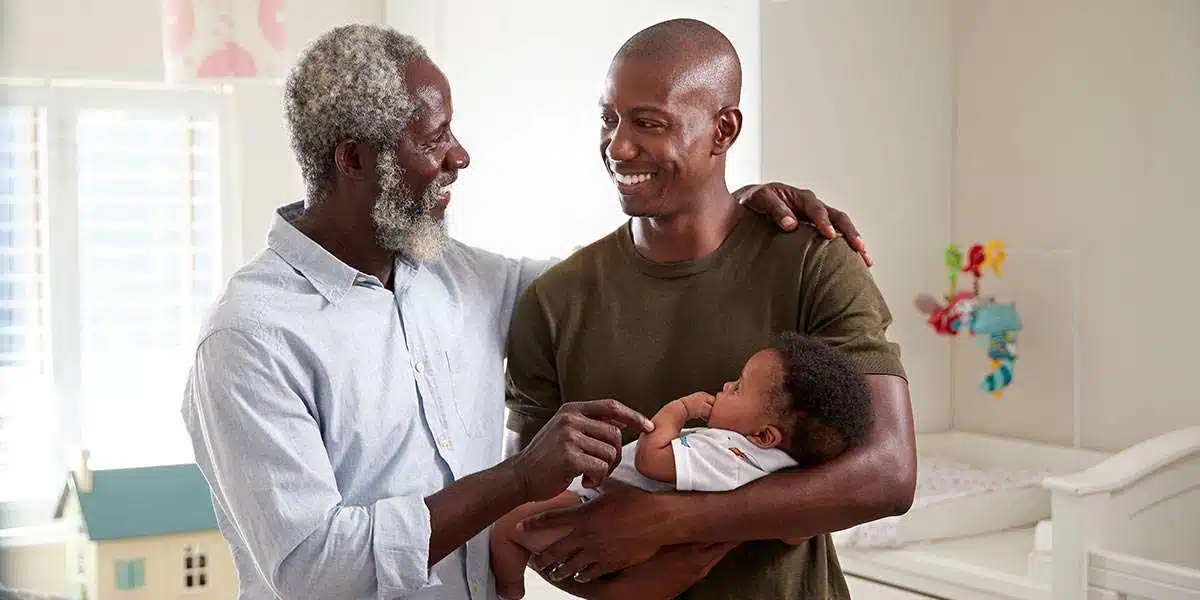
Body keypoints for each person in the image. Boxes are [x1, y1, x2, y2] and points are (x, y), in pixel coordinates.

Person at [179, 23, 873, 600]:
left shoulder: (462, 278)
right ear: (355, 160)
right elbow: (314, 570)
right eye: (434, 138)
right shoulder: (252, 339)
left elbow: (635, 278)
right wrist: (517, 480)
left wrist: (728, 201)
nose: (460, 154)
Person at [504, 18, 916, 600]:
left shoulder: (811, 263)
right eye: (609, 118)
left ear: (723, 130)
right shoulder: (554, 302)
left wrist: (667, 521)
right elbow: (526, 511)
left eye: (649, 123)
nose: (618, 146)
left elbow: (889, 475)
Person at [490, 331, 873, 600]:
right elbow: (794, 531)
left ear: (764, 436)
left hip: (596, 505)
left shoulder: (727, 449)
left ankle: (510, 589)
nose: (725, 386)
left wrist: (679, 411)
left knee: (509, 527)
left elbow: (651, 459)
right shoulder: (782, 468)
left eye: (738, 387)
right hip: (657, 552)